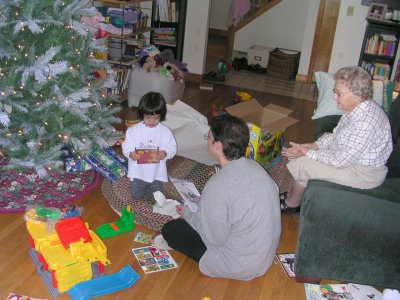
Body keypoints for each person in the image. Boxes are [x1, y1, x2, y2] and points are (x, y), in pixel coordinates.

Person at [154, 114, 281, 281]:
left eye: (209, 137)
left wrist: (186, 213)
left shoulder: (217, 185)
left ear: (218, 146)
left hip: (238, 265)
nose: (207, 140)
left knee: (172, 229)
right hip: (263, 255)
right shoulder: (255, 167)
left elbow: (214, 239)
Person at [281, 66, 393, 213]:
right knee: (304, 157)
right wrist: (312, 146)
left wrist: (307, 153)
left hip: (363, 173)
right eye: (335, 91)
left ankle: (292, 203)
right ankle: (295, 197)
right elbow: (336, 136)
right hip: (351, 158)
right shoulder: (355, 108)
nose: (334, 97)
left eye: (338, 93)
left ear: (357, 95)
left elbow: (340, 161)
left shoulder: (366, 122)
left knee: (303, 164)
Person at [122, 92, 177, 200]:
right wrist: (130, 153)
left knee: (156, 198)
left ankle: (151, 190)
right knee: (136, 195)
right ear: (142, 115)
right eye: (147, 118)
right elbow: (126, 145)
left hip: (156, 172)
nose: (152, 121)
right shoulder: (133, 130)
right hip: (138, 171)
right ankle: (143, 188)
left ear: (161, 116)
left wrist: (165, 153)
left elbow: (172, 147)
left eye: (156, 118)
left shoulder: (165, 131)